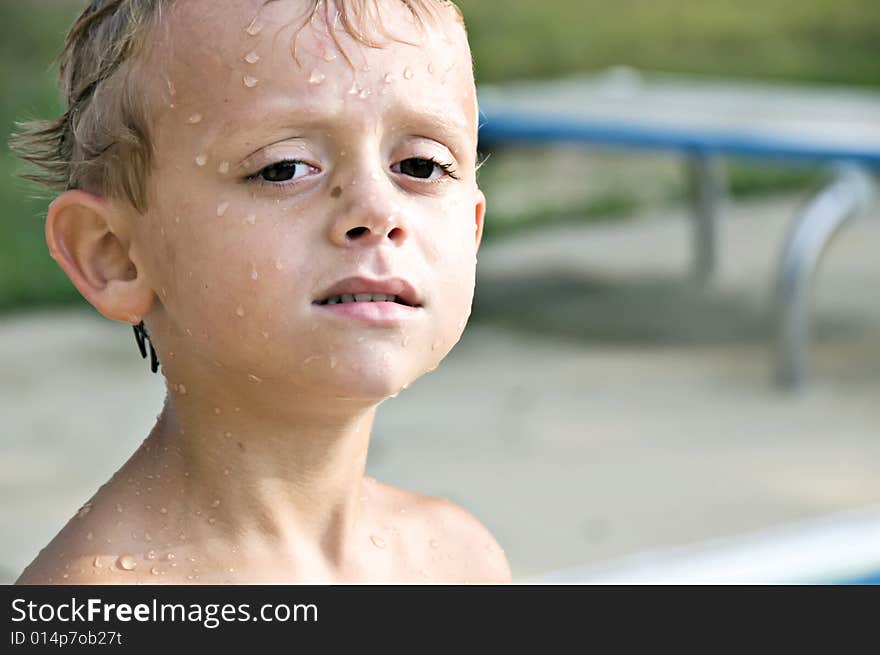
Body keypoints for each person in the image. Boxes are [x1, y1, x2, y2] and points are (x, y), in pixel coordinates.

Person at [14, 0, 510, 584]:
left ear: (473, 229)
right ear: (115, 254)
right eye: (284, 168)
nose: (378, 210)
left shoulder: (457, 560)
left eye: (422, 166)